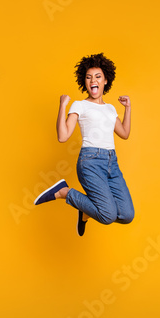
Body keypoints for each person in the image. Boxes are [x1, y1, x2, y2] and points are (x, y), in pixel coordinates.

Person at [34, 52, 134, 236]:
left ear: (105, 81)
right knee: (108, 215)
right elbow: (63, 136)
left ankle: (85, 210)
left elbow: (124, 133)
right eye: (88, 77)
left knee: (127, 215)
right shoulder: (80, 105)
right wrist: (62, 106)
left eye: (97, 76)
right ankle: (64, 192)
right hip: (91, 162)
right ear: (84, 81)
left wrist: (127, 108)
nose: (92, 80)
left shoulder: (110, 108)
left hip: (112, 163)